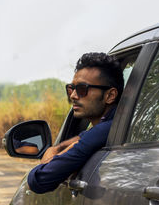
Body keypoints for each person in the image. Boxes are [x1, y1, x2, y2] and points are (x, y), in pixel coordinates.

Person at [27, 52, 124, 194]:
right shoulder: (115, 123)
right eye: (71, 89)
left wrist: (51, 157)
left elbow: (39, 180)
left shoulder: (106, 129)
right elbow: (85, 136)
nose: (73, 95)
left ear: (110, 95)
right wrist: (58, 147)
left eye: (82, 89)